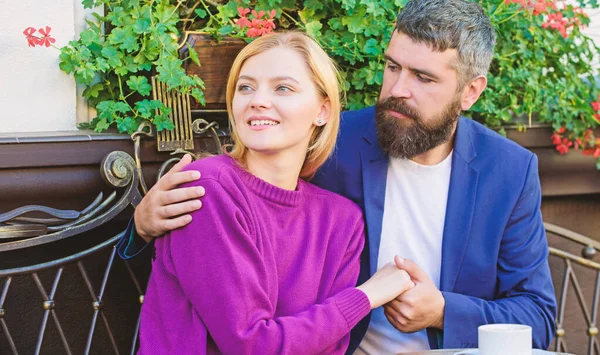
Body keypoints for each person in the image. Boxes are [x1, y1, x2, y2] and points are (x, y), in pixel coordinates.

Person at [121, 0, 557, 353]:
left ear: (470, 92)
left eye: (423, 77)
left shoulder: (508, 171)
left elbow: (538, 316)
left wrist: (443, 311)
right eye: (393, 67)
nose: (398, 89)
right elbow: (225, 236)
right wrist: (139, 229)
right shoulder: (328, 143)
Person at [132, 31, 416, 354]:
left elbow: (330, 348)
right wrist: (366, 296)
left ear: (322, 110)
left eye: (282, 88)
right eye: (245, 87)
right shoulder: (209, 190)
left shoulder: (342, 223)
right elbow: (252, 345)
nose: (258, 100)